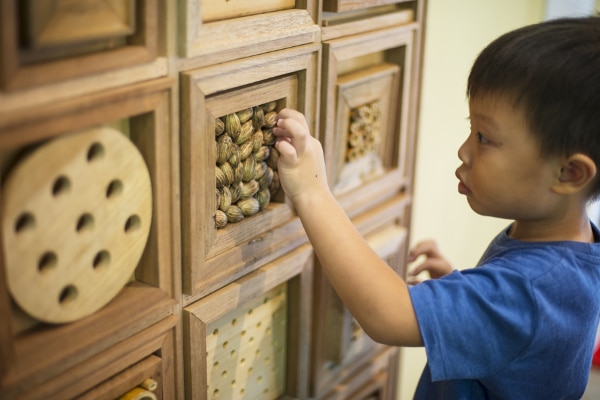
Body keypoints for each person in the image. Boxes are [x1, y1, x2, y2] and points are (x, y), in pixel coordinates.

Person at [272, 15, 600, 399]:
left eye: (484, 137)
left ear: (569, 172)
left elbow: (387, 316)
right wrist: (465, 297)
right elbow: (519, 337)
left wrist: (313, 193)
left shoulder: (528, 292)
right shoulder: (576, 250)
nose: (464, 150)